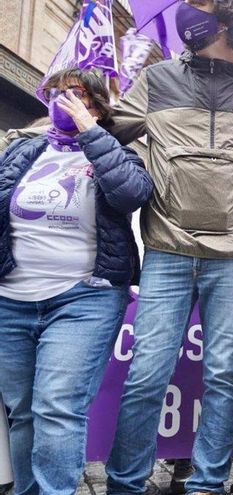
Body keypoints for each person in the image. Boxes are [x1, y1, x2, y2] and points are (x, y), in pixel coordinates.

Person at [102, 0, 233, 493]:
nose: (186, 12)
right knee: (146, 374)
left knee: (223, 375)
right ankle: (125, 483)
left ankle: (207, 483)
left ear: (227, 17)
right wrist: (97, 99)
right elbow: (107, 131)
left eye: (198, 5)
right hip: (167, 247)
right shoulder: (157, 78)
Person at [0, 68, 153, 495]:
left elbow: (131, 194)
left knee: (57, 405)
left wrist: (91, 133)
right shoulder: (23, 149)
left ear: (97, 107)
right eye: (56, 92)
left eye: (77, 93)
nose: (64, 100)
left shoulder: (118, 153)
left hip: (84, 298)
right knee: (23, 411)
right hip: (10, 298)